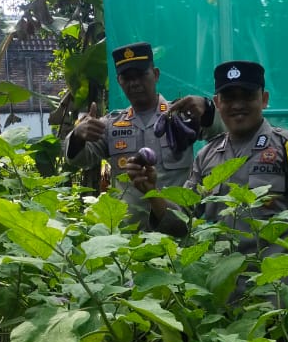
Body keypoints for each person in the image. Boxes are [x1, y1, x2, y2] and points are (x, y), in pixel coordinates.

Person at [126, 59, 288, 271]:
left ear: (264, 99)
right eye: (229, 98)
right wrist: (152, 192)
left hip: (276, 293)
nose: (238, 105)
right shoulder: (205, 156)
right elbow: (182, 224)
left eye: (247, 96)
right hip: (221, 293)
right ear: (217, 102)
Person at [63, 41, 219, 227]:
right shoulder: (112, 124)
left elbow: (222, 134)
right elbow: (79, 159)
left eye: (141, 75)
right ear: (119, 81)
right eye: (127, 78)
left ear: (155, 74)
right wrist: (78, 135)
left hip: (177, 230)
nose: (134, 83)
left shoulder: (181, 116)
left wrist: (208, 109)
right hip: (130, 238)